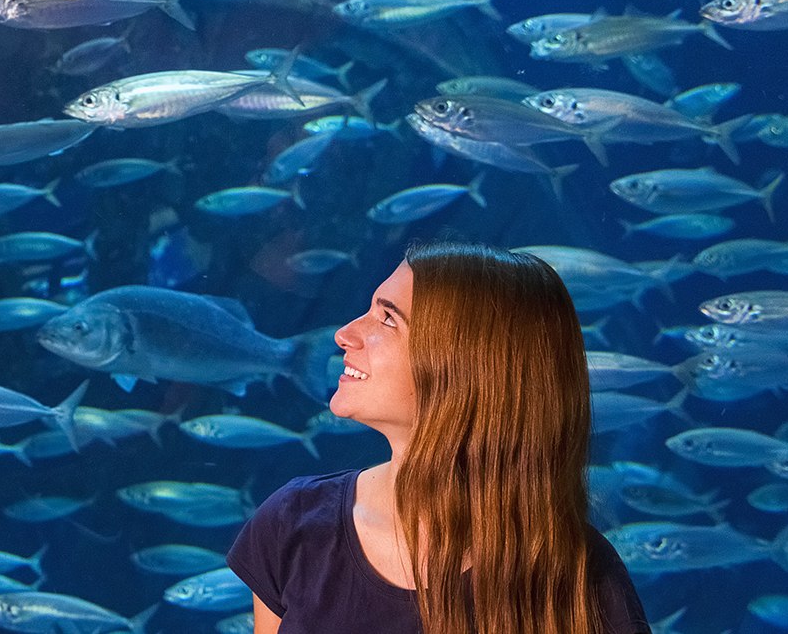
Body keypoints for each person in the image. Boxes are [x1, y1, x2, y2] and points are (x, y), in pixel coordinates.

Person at [227, 242, 651, 634]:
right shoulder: (294, 525)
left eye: (387, 318)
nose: (344, 334)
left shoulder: (582, 577)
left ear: (466, 368)